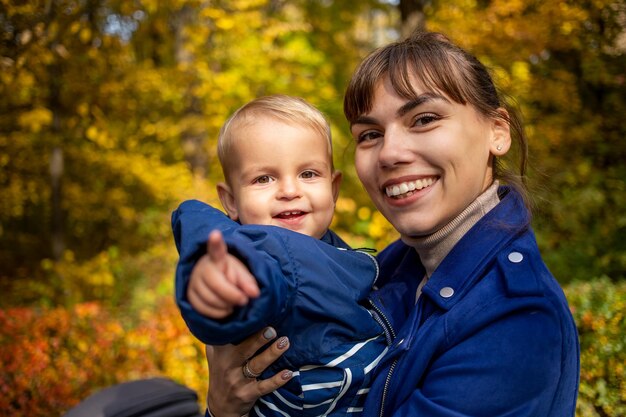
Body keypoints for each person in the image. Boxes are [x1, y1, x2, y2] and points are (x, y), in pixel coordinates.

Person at [199, 31, 581, 417]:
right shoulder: (389, 270)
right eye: (370, 135)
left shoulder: (515, 320)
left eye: (424, 119)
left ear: (497, 132)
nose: (390, 153)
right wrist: (222, 406)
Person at [172, 95, 389, 416]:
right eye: (264, 178)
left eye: (308, 174)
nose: (289, 190)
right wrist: (216, 286)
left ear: (334, 188)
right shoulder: (260, 258)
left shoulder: (335, 249)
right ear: (230, 201)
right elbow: (242, 293)